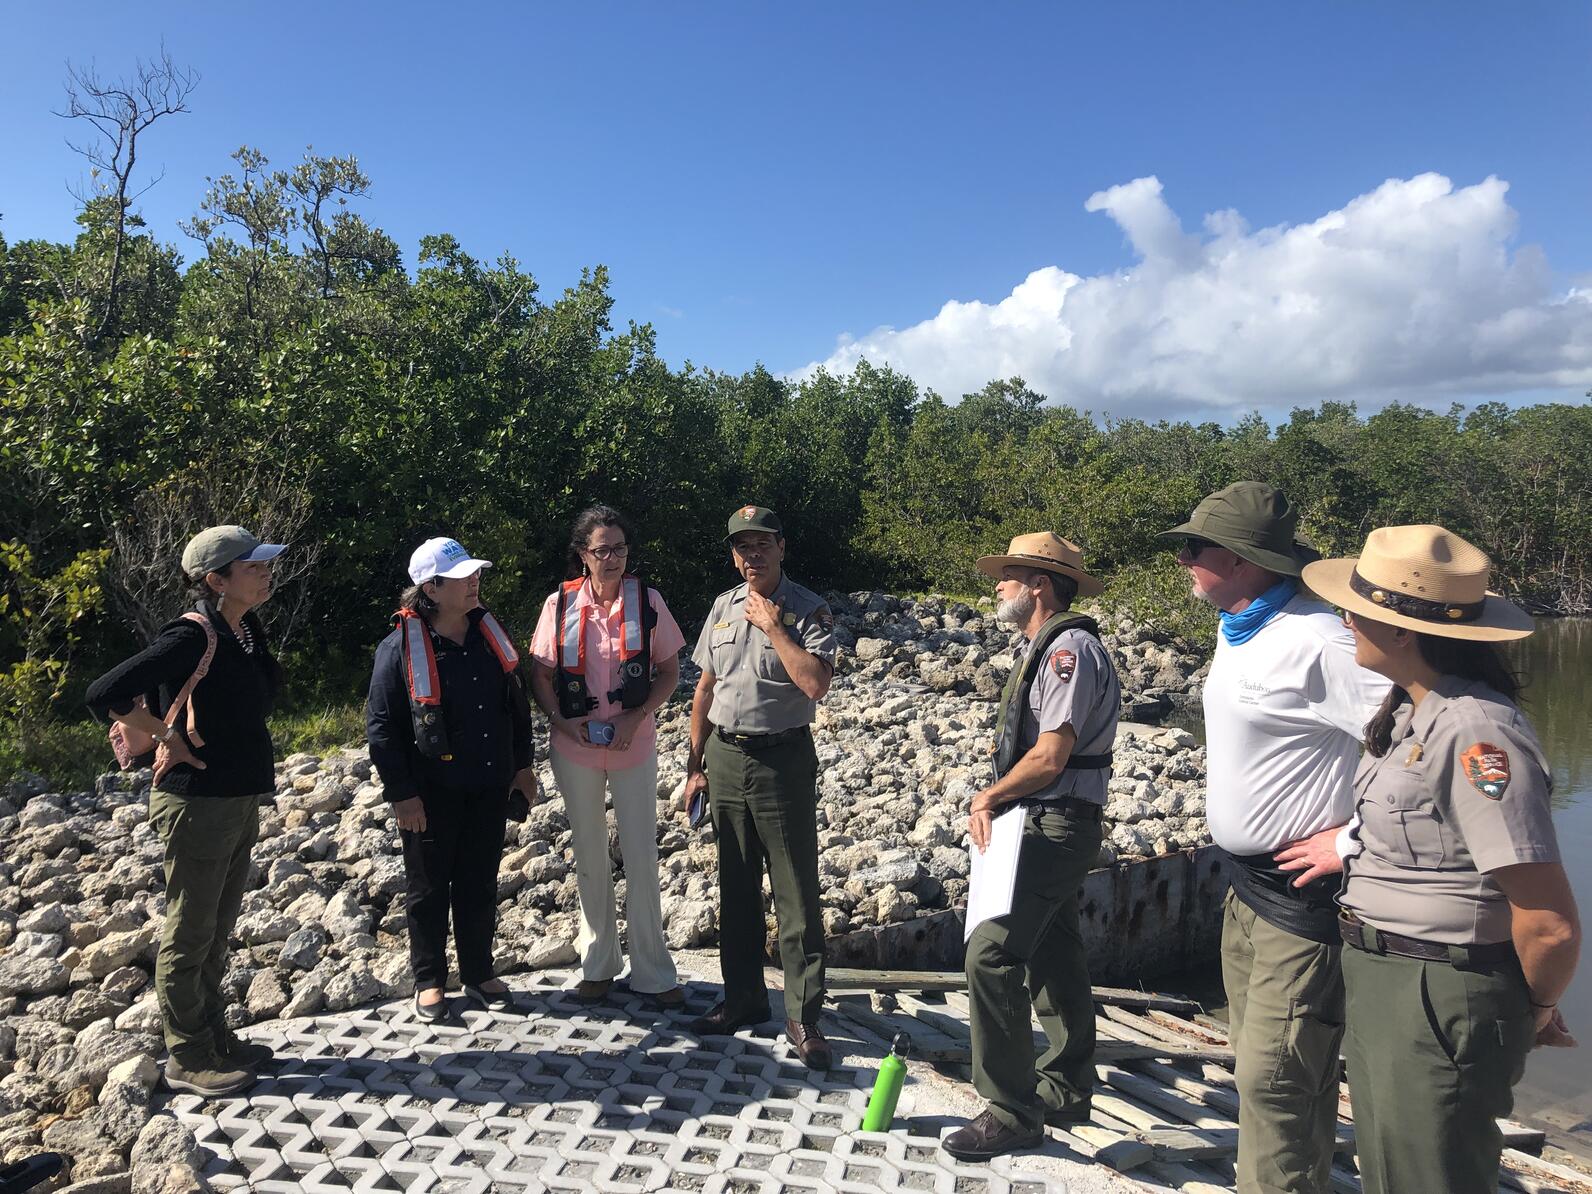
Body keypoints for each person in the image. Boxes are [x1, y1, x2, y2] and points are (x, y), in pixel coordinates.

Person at [1284, 525, 1580, 1194]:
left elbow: (1548, 920)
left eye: (1358, 610)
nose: (1343, 619)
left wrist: (1529, 1008)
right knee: (1394, 1169)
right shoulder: (1414, 712)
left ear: (1400, 633)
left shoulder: (1474, 730)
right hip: (1395, 978)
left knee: (1427, 1177)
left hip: (1437, 990)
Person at [1160, 482, 1389, 1194]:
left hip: (1304, 899)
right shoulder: (1241, 624)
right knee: (1275, 1075)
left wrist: (1350, 839)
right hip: (1246, 890)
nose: (1182, 559)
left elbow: (1424, 751)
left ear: (1240, 560)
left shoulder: (1318, 640)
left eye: (1193, 547)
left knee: (1276, 1081)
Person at [86, 525, 287, 1097]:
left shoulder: (244, 627)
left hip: (235, 795)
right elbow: (104, 692)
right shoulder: (192, 635)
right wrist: (166, 732)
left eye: (264, 563)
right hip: (197, 801)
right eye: (253, 566)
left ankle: (216, 1038)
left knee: (217, 927)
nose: (266, 571)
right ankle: (188, 1055)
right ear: (215, 579)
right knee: (190, 929)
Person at [942, 534, 1122, 1162]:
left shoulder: (1066, 651)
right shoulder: (1057, 646)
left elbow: (1050, 755)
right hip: (1054, 819)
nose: (998, 585)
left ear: (1039, 586)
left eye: (1009, 574)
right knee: (1054, 947)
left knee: (989, 953)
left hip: (1054, 822)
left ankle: (1011, 1109)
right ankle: (1068, 1084)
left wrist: (988, 796)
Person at [682, 505, 838, 1068]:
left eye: (762, 545)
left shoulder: (806, 609)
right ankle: (743, 1000)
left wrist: (775, 627)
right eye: (742, 547)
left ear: (781, 547)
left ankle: (804, 1016)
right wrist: (695, 763)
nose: (752, 556)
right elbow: (704, 688)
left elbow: (816, 684)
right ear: (733, 554)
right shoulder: (722, 608)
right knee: (736, 886)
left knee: (795, 892)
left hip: (782, 760)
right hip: (724, 757)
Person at [366, 537, 537, 1021]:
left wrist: (522, 766)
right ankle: (429, 981)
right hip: (430, 791)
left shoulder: (489, 635)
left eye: (475, 573)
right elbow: (382, 727)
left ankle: (479, 973)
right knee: (427, 888)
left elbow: (515, 706)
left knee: (480, 881)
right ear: (432, 587)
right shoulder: (398, 647)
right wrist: (402, 794)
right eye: (463, 576)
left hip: (488, 781)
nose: (475, 581)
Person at [528, 506, 687, 1006]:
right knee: (590, 855)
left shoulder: (649, 602)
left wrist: (634, 719)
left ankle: (654, 974)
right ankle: (597, 965)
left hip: (632, 744)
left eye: (620, 548)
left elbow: (668, 672)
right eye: (602, 550)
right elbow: (539, 674)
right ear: (583, 555)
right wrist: (561, 719)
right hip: (574, 748)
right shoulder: (558, 605)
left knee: (642, 855)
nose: (613, 558)